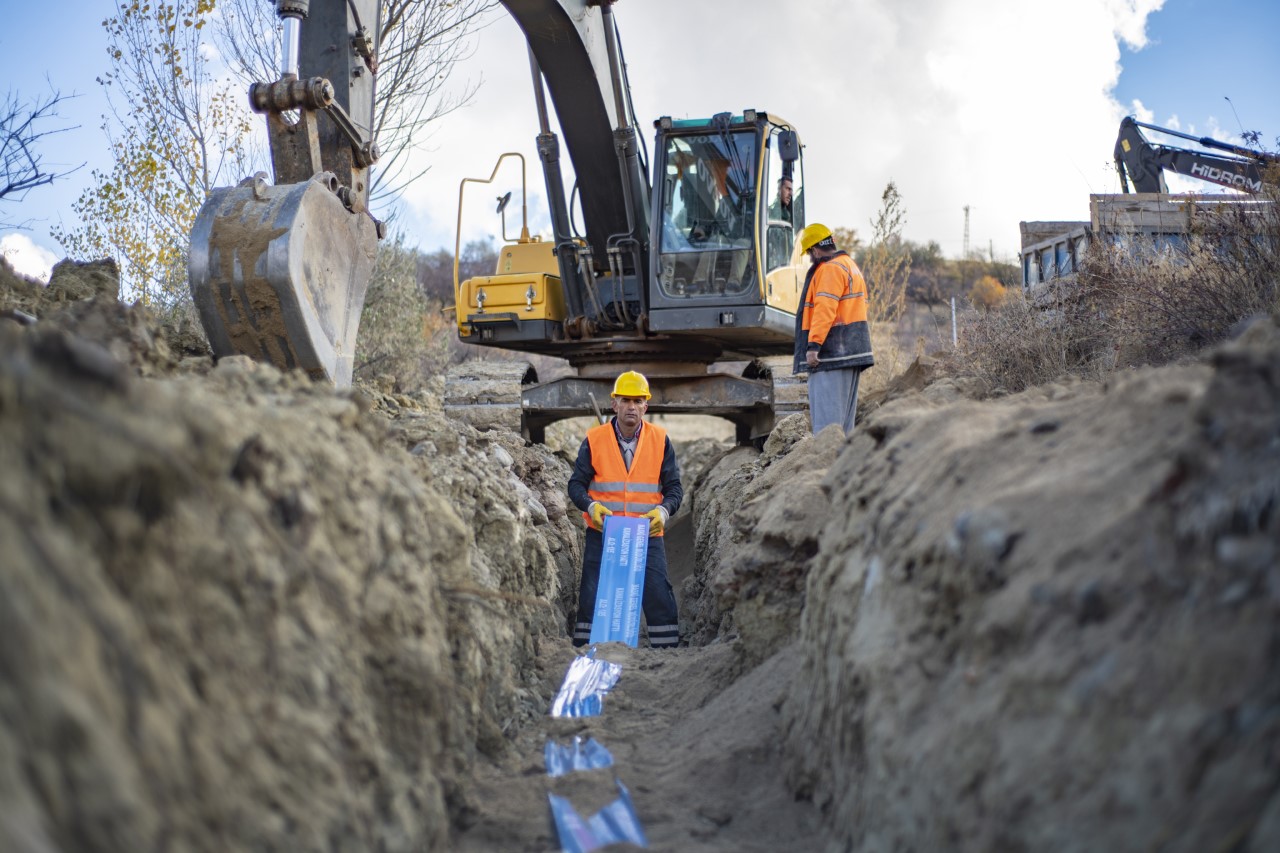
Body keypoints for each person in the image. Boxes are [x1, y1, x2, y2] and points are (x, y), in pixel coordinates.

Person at [567, 370, 683, 649]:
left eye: (637, 401)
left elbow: (675, 489)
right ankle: (585, 651)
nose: (632, 406)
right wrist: (591, 506)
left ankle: (667, 652)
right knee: (592, 597)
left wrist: (663, 512)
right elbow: (576, 485)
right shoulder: (595, 439)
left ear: (646, 406)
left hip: (646, 533)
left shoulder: (660, 440)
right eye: (626, 400)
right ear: (614, 404)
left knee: (658, 595)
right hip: (603, 533)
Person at [793, 223, 874, 435]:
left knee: (826, 429)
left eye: (809, 253)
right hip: (852, 351)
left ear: (815, 250)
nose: (810, 258)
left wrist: (814, 346)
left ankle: (827, 457)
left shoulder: (829, 269)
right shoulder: (850, 265)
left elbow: (824, 309)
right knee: (844, 429)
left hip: (830, 356)